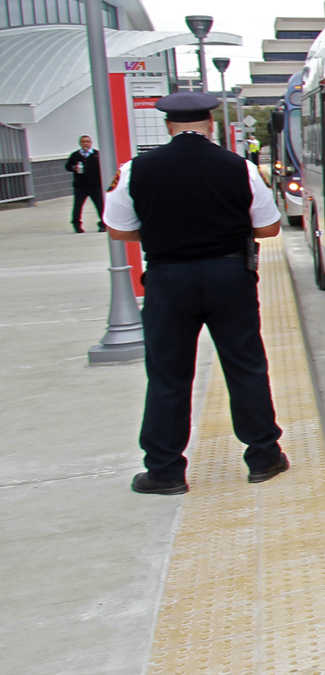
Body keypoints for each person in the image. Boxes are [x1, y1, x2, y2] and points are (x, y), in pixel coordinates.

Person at [104, 91, 289, 495]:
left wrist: (160, 234)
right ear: (210, 125)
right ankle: (263, 456)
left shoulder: (135, 169)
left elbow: (117, 228)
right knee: (245, 366)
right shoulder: (239, 167)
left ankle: (165, 470)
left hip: (168, 280)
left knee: (168, 375)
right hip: (229, 276)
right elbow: (270, 228)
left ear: (168, 126)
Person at [65, 134, 105, 233]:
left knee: (100, 205)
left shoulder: (97, 154)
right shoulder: (75, 155)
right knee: (78, 206)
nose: (85, 143)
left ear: (91, 143)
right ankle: (76, 224)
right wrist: (74, 168)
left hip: (95, 185)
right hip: (80, 186)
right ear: (80, 143)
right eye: (83, 142)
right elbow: (68, 166)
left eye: (87, 141)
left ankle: (103, 224)